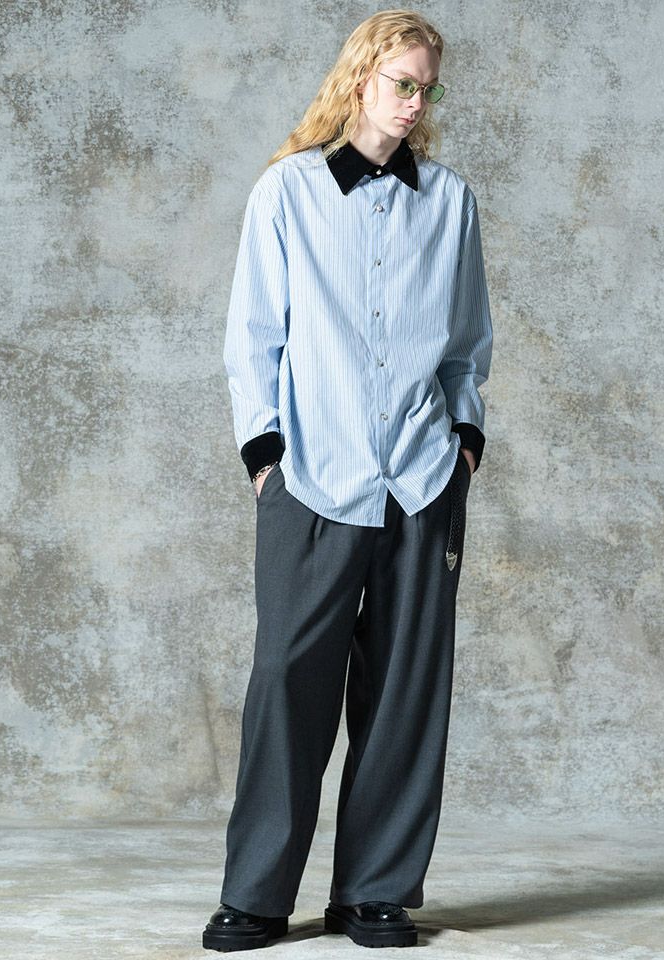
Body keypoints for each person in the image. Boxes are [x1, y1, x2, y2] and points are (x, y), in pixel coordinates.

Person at [203, 8, 493, 952]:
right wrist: (266, 459)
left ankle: (375, 892)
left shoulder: (449, 203)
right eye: (402, 83)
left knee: (406, 691)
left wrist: (464, 443)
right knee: (288, 680)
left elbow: (466, 344)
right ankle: (255, 896)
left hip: (421, 480)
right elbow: (253, 337)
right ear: (361, 76)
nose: (414, 104)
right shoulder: (286, 193)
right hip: (313, 479)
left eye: (427, 90)